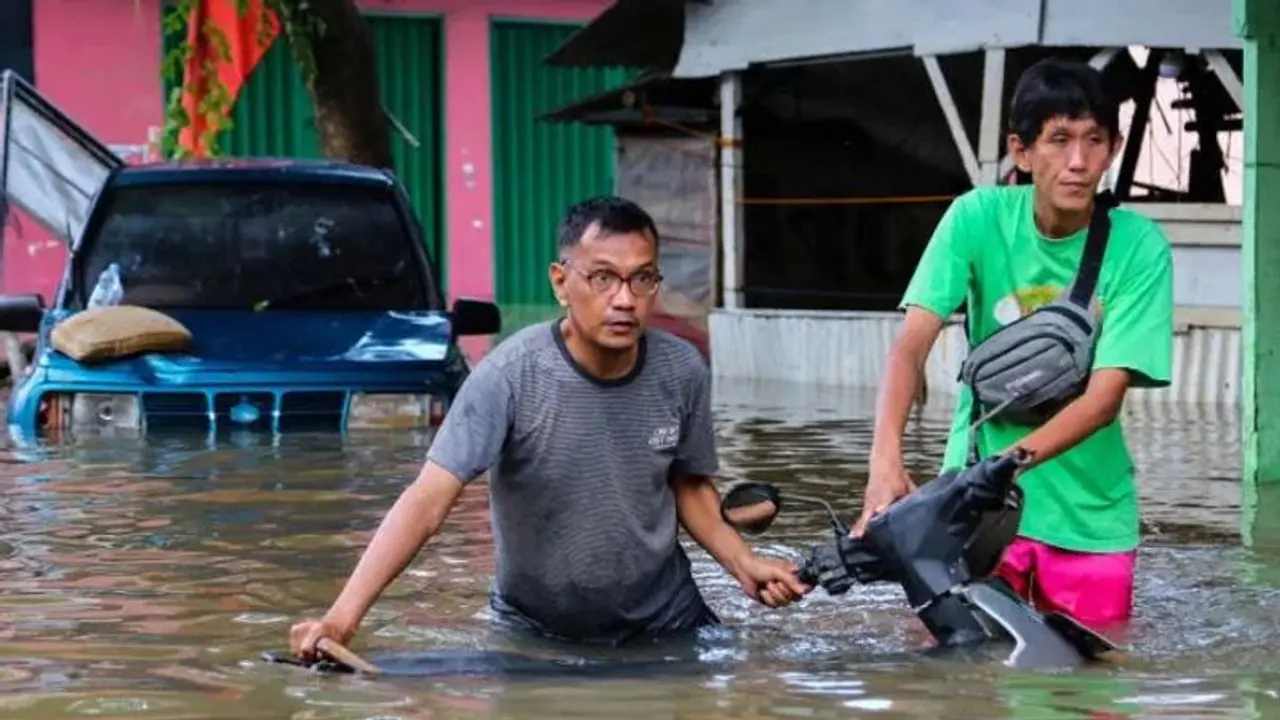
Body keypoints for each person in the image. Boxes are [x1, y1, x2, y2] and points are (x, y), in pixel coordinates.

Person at [290, 196, 810, 658]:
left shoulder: (682, 371)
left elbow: (688, 484)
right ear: (561, 282)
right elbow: (427, 501)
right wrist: (342, 619)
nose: (625, 299)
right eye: (603, 277)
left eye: (642, 278)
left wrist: (744, 564)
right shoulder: (508, 376)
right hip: (535, 634)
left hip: (668, 622)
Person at [853, 58, 1174, 632]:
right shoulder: (975, 218)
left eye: (1093, 140)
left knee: (1090, 689)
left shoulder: (1139, 248)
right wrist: (885, 463)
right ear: (1021, 151)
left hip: (1090, 518)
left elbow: (1103, 401)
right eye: (1058, 140)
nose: (1078, 162)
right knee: (957, 680)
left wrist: (1007, 466)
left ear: (1114, 148)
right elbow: (910, 348)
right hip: (973, 509)